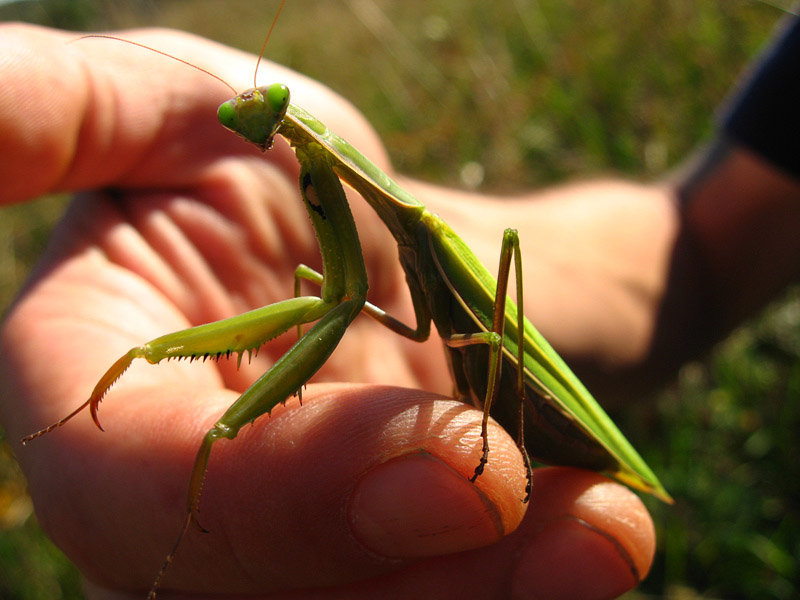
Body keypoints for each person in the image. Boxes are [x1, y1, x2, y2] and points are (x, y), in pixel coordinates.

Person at [0, 14, 798, 599]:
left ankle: (191, 491)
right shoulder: (338, 200)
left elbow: (377, 302)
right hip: (482, 360)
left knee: (368, 301)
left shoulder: (404, 224)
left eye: (266, 117)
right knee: (319, 292)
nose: (257, 128)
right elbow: (691, 242)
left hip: (538, 392)